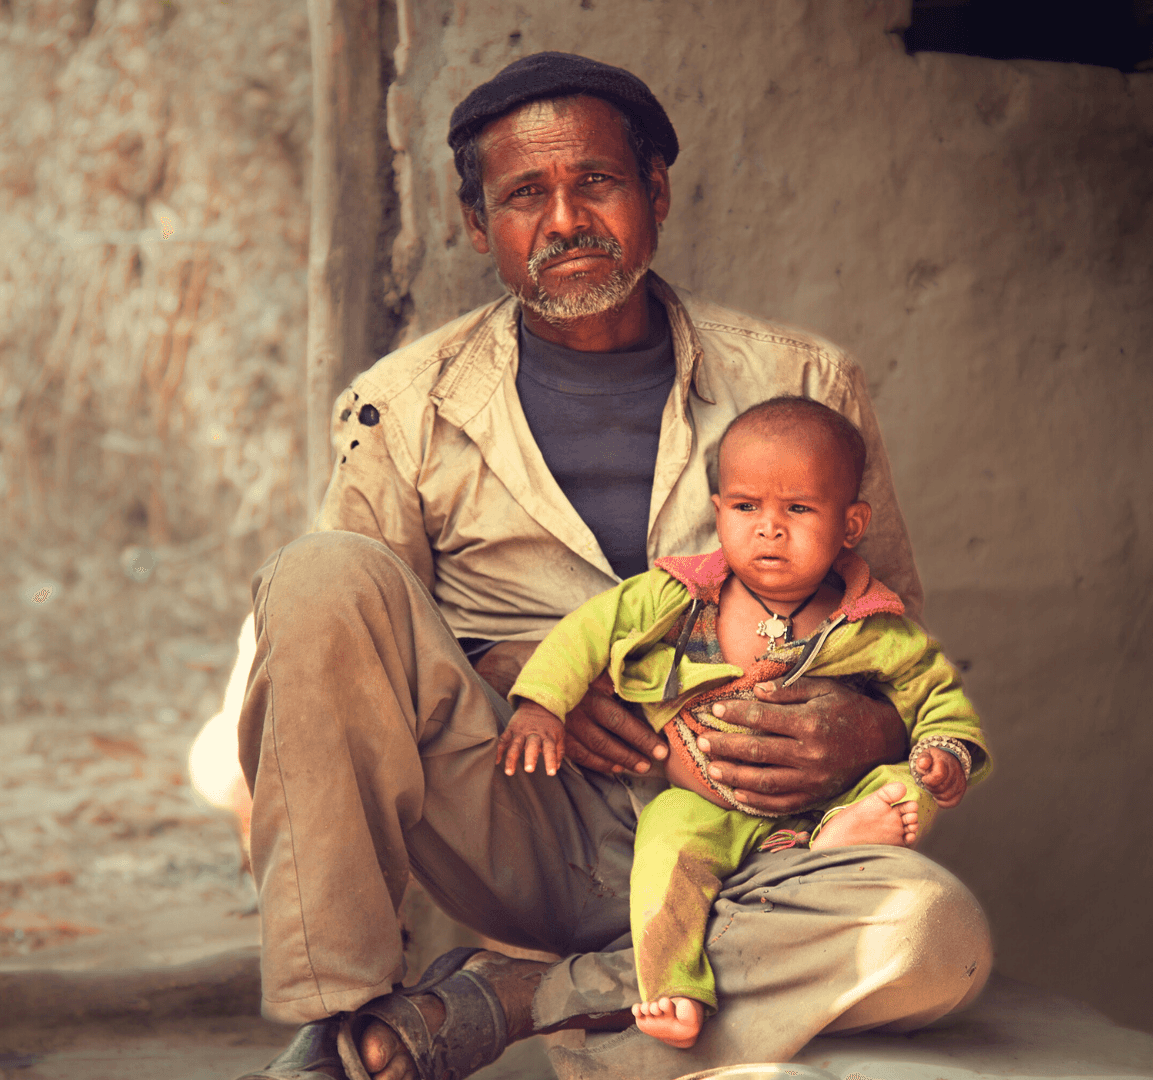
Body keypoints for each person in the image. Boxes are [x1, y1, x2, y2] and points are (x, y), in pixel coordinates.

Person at [236, 51, 992, 1080]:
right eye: (523, 196)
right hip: (516, 809)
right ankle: (340, 1018)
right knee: (321, 575)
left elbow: (892, 631)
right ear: (476, 226)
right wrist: (521, 667)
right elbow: (353, 648)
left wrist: (861, 726)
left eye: (593, 182)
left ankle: (529, 998)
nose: (563, 222)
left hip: (748, 839)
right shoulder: (405, 407)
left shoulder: (801, 382)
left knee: (934, 939)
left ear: (656, 195)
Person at [495, 396, 992, 1050]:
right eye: (747, 507)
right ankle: (673, 986)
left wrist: (945, 753)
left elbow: (935, 693)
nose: (770, 529)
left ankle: (838, 841)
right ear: (718, 512)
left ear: (851, 525)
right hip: (703, 802)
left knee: (904, 789)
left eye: (799, 509)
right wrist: (540, 703)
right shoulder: (678, 595)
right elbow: (588, 632)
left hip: (825, 806)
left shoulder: (874, 625)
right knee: (666, 848)